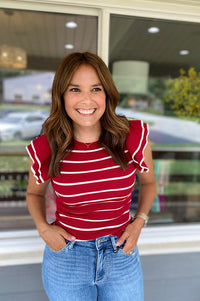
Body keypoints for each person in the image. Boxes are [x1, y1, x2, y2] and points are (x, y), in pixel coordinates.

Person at [26, 52, 157, 301]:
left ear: (106, 94)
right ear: (61, 95)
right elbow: (34, 193)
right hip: (67, 257)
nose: (87, 100)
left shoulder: (133, 137)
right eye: (75, 89)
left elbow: (149, 182)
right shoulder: (46, 147)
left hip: (121, 254)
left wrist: (139, 221)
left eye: (95, 88)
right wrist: (44, 229)